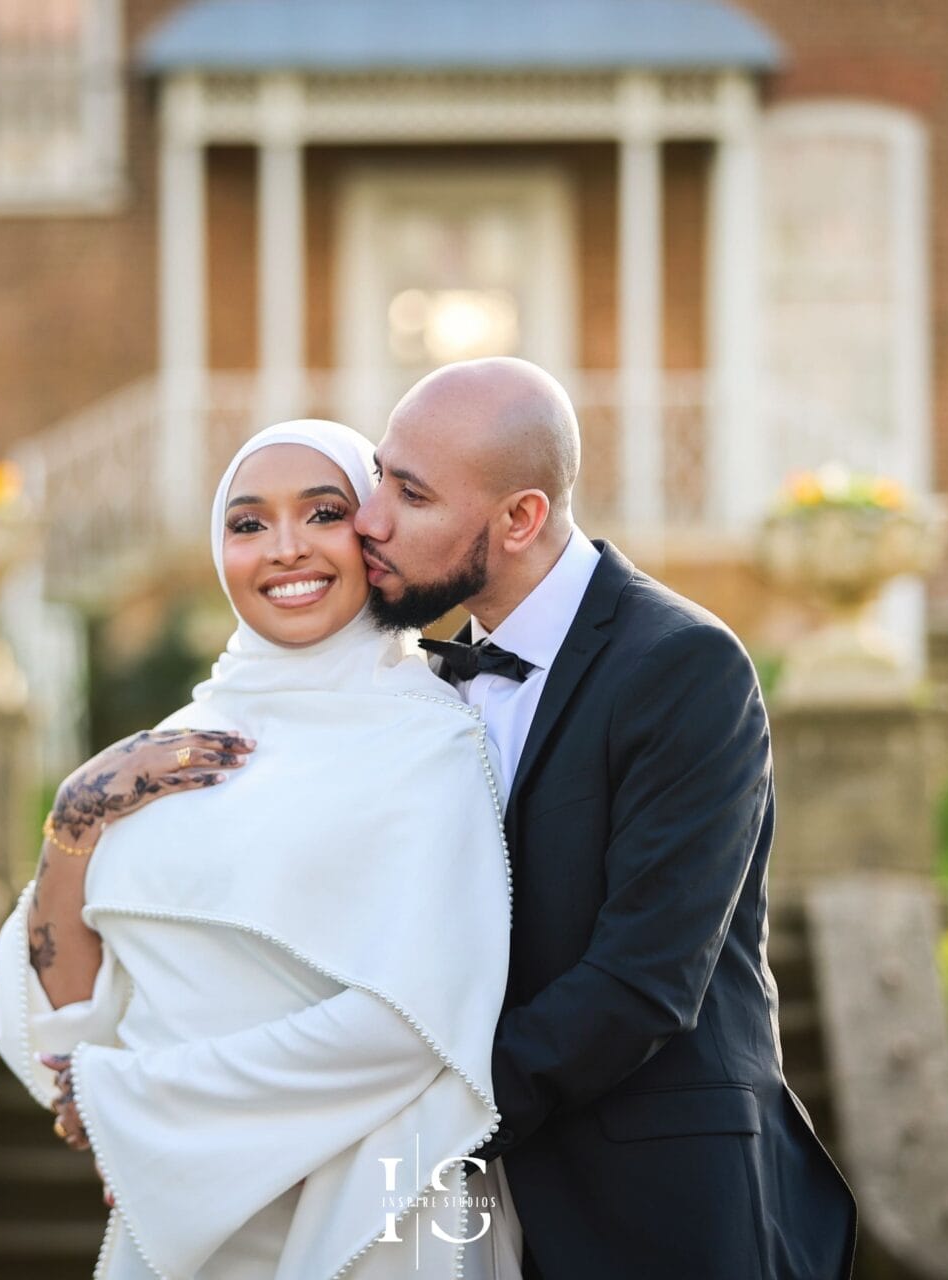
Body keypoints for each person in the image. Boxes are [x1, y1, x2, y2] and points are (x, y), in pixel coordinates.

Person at [353, 357, 860, 1279]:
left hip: (659, 1210)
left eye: (412, 495)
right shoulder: (417, 689)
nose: (369, 519)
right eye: (380, 475)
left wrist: (421, 1124)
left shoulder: (684, 668)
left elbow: (644, 980)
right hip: (479, 1224)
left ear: (521, 519)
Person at [0, 419, 524, 1279]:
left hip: (361, 1208)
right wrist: (76, 822)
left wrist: (141, 1107)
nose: (283, 550)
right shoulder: (171, 747)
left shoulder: (433, 744)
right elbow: (69, 1022)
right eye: (247, 524)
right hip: (181, 1222)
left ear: (375, 532)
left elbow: (420, 1022)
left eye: (321, 514)